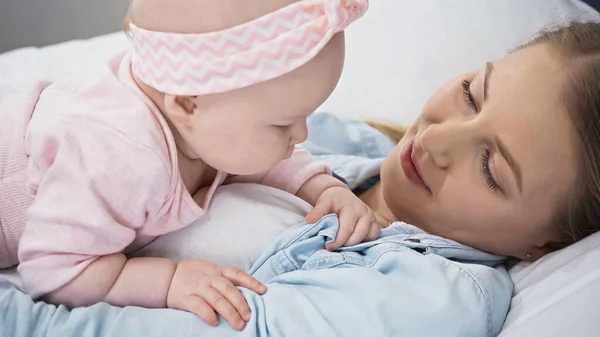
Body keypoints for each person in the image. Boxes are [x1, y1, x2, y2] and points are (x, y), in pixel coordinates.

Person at [2, 20, 600, 337]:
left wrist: (157, 280)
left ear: (541, 245)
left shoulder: (428, 298)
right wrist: (324, 184)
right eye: (472, 93)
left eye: (492, 168)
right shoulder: (349, 142)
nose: (435, 140)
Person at [0, 0, 376, 330]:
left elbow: (255, 158)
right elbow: (54, 271)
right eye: (283, 123)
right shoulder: (121, 159)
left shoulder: (204, 126)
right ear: (186, 103)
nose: (301, 135)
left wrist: (324, 186)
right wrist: (168, 280)